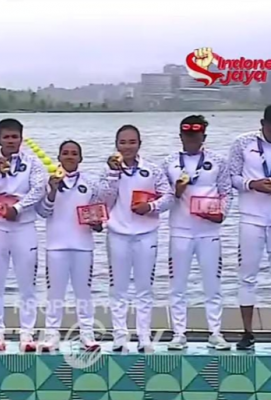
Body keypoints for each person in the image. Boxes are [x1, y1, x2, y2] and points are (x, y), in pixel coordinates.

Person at [162, 115, 232, 351]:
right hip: (180, 232)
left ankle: (215, 332)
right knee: (177, 286)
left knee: (213, 285)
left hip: (209, 232)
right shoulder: (169, 162)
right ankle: (178, 334)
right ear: (180, 136)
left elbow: (226, 192)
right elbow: (163, 198)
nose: (191, 139)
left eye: (196, 136)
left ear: (204, 136)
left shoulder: (218, 161)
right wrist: (176, 192)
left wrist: (222, 214)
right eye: (187, 135)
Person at [103, 124, 174, 353]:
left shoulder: (152, 170)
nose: (127, 147)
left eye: (132, 142)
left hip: (146, 234)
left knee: (144, 288)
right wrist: (113, 175)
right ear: (116, 145)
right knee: (118, 288)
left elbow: (169, 196)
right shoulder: (108, 170)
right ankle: (120, 336)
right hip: (118, 234)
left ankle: (144, 337)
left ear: (139, 144)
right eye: (123, 142)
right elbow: (103, 200)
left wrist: (150, 206)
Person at [36, 140, 110, 352]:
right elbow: (43, 212)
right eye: (66, 153)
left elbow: (98, 216)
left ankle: (87, 335)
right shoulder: (48, 181)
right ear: (59, 157)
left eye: (74, 153)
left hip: (83, 247)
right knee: (55, 294)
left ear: (80, 158)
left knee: (84, 293)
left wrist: (98, 224)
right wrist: (52, 191)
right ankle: (51, 335)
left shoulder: (90, 183)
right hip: (56, 247)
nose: (70, 157)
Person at [0, 119, 47, 353]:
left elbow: (39, 190)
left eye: (15, 137)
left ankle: (27, 333)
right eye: (6, 137)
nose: (11, 141)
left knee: (27, 283)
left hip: (24, 227)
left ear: (21, 138)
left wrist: (17, 209)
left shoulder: (33, 163)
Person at [228, 104, 271, 350]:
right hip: (251, 217)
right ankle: (247, 332)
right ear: (263, 124)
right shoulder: (242, 143)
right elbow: (231, 177)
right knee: (247, 276)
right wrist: (253, 184)